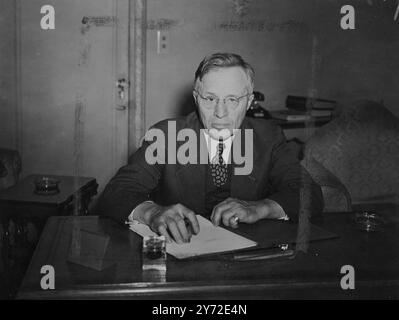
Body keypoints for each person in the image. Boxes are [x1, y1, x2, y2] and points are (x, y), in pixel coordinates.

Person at [97, 52, 323, 244]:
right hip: (181, 254)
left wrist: (261, 208)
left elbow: (309, 193)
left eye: (233, 99)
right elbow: (116, 192)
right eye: (210, 99)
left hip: (247, 258)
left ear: (249, 101)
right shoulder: (166, 135)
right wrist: (152, 211)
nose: (220, 113)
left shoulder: (268, 137)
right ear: (196, 98)